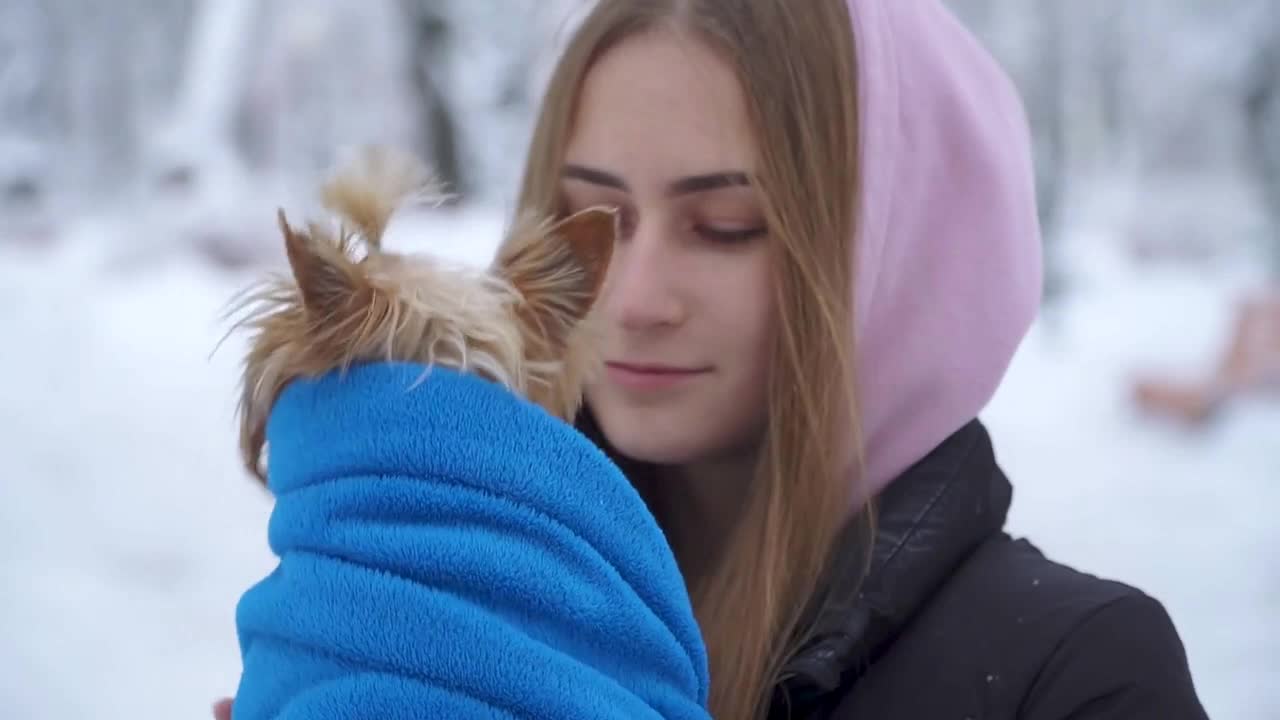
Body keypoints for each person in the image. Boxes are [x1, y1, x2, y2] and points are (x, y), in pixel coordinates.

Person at [216, 1, 1209, 718]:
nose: (631, 298)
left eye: (727, 224)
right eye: (587, 224)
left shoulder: (1077, 678)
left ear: (900, 254)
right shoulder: (406, 602)